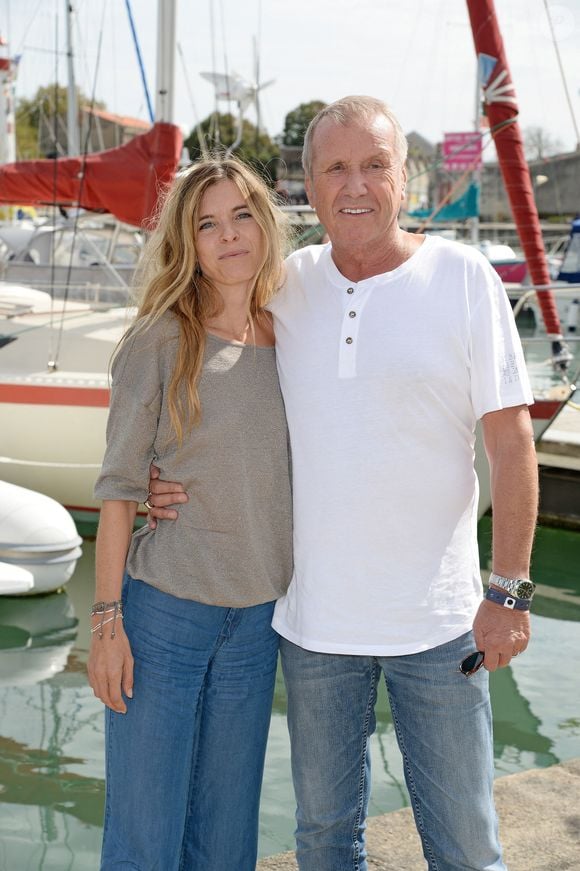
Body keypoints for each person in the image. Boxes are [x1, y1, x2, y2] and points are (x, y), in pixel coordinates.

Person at [147, 96, 538, 871]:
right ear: (309, 184)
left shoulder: (462, 277)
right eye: (335, 167)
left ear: (405, 178)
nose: (354, 184)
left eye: (374, 164)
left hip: (441, 624)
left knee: (465, 847)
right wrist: (164, 473)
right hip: (314, 626)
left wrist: (512, 590)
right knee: (324, 843)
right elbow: (213, 380)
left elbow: (513, 444)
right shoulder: (284, 285)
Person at [87, 157, 293, 871]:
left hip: (257, 626)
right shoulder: (160, 340)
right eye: (208, 223)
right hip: (164, 620)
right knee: (145, 842)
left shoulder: (295, 334)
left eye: (241, 215)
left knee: (226, 843)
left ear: (265, 224)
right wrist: (107, 623)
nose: (228, 235)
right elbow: (116, 488)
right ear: (188, 241)